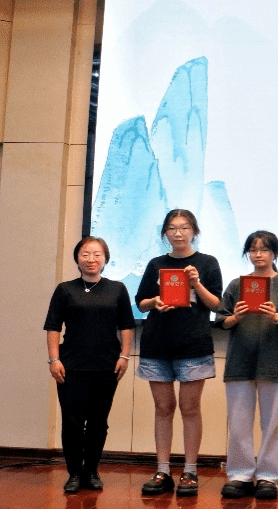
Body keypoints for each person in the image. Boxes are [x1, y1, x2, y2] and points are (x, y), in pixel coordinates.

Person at [135, 209, 222, 496]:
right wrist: (155, 301)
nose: (178, 233)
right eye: (172, 228)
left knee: (190, 408)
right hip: (156, 344)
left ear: (194, 231)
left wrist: (196, 283)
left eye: (184, 227)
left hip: (193, 345)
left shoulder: (207, 263)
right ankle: (162, 470)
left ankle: (190, 471)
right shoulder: (156, 264)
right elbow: (141, 302)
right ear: (165, 233)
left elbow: (216, 304)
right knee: (163, 409)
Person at [44, 236, 136, 494]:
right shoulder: (65, 289)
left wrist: (124, 356)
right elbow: (53, 326)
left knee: (98, 422)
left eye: (97, 254)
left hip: (107, 366)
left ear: (105, 259)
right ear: (77, 258)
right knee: (72, 422)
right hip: (71, 367)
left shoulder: (117, 289)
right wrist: (54, 359)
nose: (91, 259)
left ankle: (92, 471)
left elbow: (126, 325)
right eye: (85, 254)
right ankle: (74, 473)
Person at [215, 231, 278, 500]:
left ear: (275, 253)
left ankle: (267, 477)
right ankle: (239, 475)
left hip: (275, 360)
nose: (258, 254)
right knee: (239, 423)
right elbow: (221, 321)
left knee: (273, 424)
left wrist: (276, 316)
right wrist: (236, 317)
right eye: (253, 250)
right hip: (240, 361)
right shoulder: (236, 284)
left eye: (264, 249)